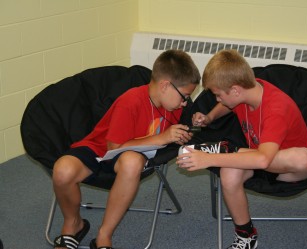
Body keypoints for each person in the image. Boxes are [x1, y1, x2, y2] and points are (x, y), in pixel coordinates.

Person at [52, 49, 201, 249]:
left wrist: (188, 128)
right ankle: (73, 224)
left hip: (127, 159)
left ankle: (104, 235)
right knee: (62, 170)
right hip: (102, 148)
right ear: (166, 85)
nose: (185, 102)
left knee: (131, 162)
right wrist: (162, 137)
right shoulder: (131, 100)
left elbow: (179, 124)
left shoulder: (173, 105)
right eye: (184, 96)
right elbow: (114, 147)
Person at [177, 49, 307, 249]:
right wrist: (209, 118)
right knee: (229, 172)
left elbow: (263, 161)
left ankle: (224, 150)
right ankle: (246, 235)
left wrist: (209, 159)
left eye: (218, 95)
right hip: (256, 157)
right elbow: (229, 105)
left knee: (302, 158)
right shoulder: (245, 91)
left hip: (287, 171)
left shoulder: (276, 108)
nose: (217, 99)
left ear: (235, 90)